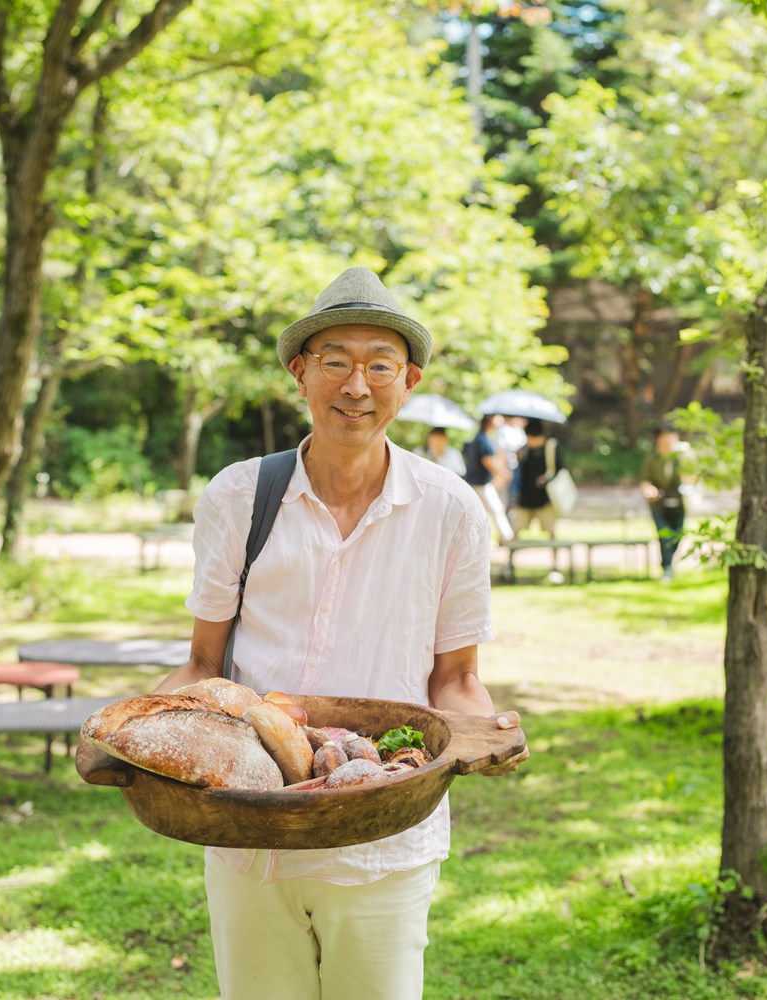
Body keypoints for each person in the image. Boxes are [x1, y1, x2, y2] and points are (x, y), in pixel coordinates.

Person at [151, 266, 528, 1000]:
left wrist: (486, 730)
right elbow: (202, 664)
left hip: (383, 837)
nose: (356, 385)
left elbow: (453, 678)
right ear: (301, 373)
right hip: (249, 831)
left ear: (407, 380)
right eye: (336, 362)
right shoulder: (239, 495)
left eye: (378, 365)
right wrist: (133, 727)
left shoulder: (450, 510)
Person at [639, 422, 688, 582]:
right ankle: (667, 567)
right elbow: (645, 480)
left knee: (678, 535)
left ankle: (668, 563)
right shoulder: (652, 459)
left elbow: (693, 476)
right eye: (663, 436)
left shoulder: (683, 456)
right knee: (664, 535)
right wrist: (649, 489)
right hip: (659, 504)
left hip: (680, 503)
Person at [463, 413, 514, 543]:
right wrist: (503, 473)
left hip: (477, 483)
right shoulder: (481, 440)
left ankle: (497, 539)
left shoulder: (481, 438)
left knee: (483, 513)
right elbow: (487, 461)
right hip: (480, 484)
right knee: (496, 509)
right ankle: (507, 538)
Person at [509, 418, 562, 540]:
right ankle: (510, 557)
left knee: (551, 531)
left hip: (545, 497)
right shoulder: (524, 449)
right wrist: (519, 458)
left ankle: (557, 557)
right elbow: (521, 471)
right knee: (517, 529)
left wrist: (546, 479)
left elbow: (560, 469)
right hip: (526, 496)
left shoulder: (551, 447)